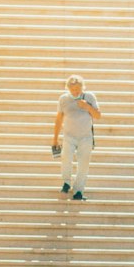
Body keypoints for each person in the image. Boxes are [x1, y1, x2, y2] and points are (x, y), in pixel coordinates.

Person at [51, 74, 102, 202]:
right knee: (66, 158)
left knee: (83, 164)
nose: (75, 91)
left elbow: (98, 116)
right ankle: (66, 182)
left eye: (78, 89)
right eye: (73, 89)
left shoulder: (89, 97)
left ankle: (79, 190)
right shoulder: (63, 99)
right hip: (69, 136)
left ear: (83, 87)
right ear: (68, 89)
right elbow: (58, 119)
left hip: (86, 137)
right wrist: (55, 138)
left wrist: (87, 107)